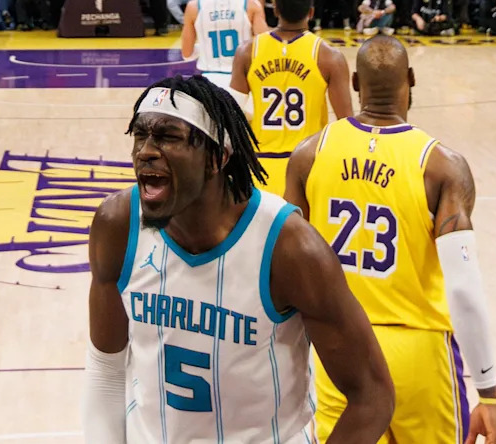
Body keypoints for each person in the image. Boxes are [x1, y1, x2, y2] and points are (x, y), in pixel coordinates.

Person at [81, 74, 394, 443]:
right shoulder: (118, 224)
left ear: (217, 158)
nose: (145, 151)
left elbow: (372, 396)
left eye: (167, 137)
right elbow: (106, 370)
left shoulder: (290, 248)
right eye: (140, 135)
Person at [284, 35, 496, 444]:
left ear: (353, 83)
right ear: (412, 79)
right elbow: (464, 287)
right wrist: (488, 392)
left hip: (340, 350)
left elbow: (287, 268)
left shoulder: (309, 154)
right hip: (419, 353)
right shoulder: (442, 166)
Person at [230, 0, 353, 198]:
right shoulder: (328, 56)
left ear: (275, 9)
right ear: (312, 12)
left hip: (260, 168)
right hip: (308, 167)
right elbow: (346, 125)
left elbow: (232, 116)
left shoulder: (247, 51)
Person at [181, 0, 268, 90]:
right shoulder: (251, 4)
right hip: (242, 82)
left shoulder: (194, 7)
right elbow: (265, 48)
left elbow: (187, 53)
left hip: (207, 82)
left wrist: (205, 46)